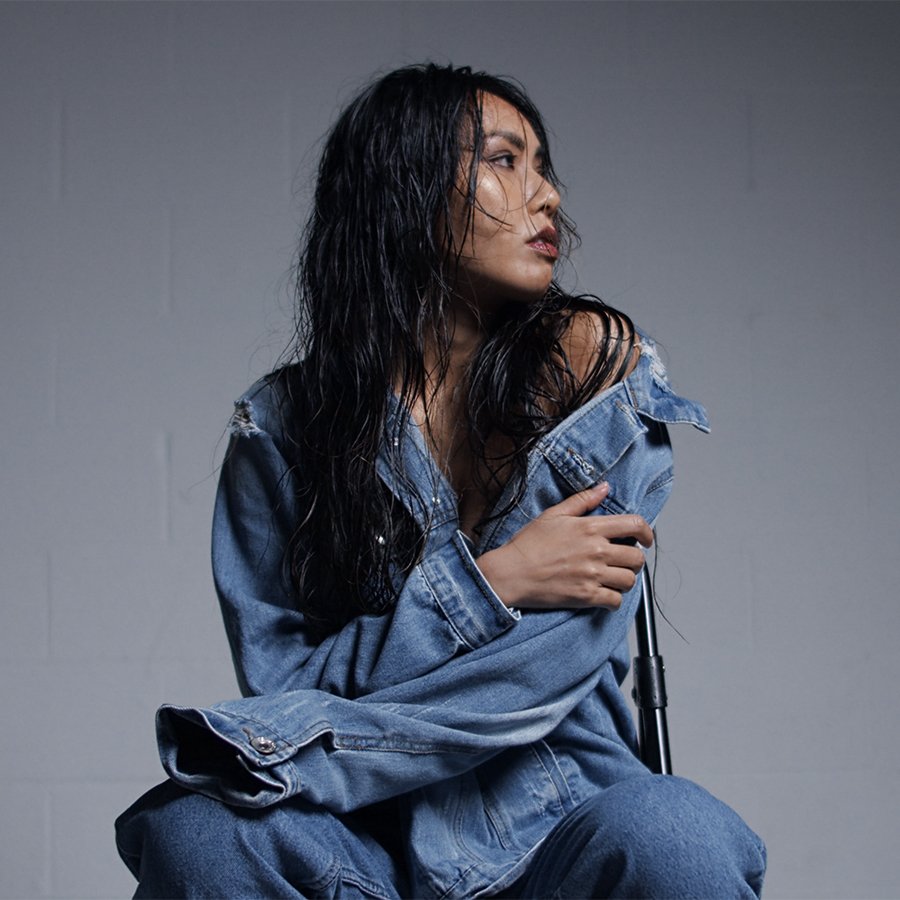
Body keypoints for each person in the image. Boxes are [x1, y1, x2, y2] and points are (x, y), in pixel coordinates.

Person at [116, 63, 766, 898]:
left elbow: (524, 688)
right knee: (195, 831)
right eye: (504, 161)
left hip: (561, 838)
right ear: (408, 193)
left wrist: (295, 743)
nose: (547, 197)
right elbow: (282, 682)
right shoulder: (281, 431)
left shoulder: (594, 381)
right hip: (365, 853)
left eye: (543, 165)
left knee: (672, 830)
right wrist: (492, 581)